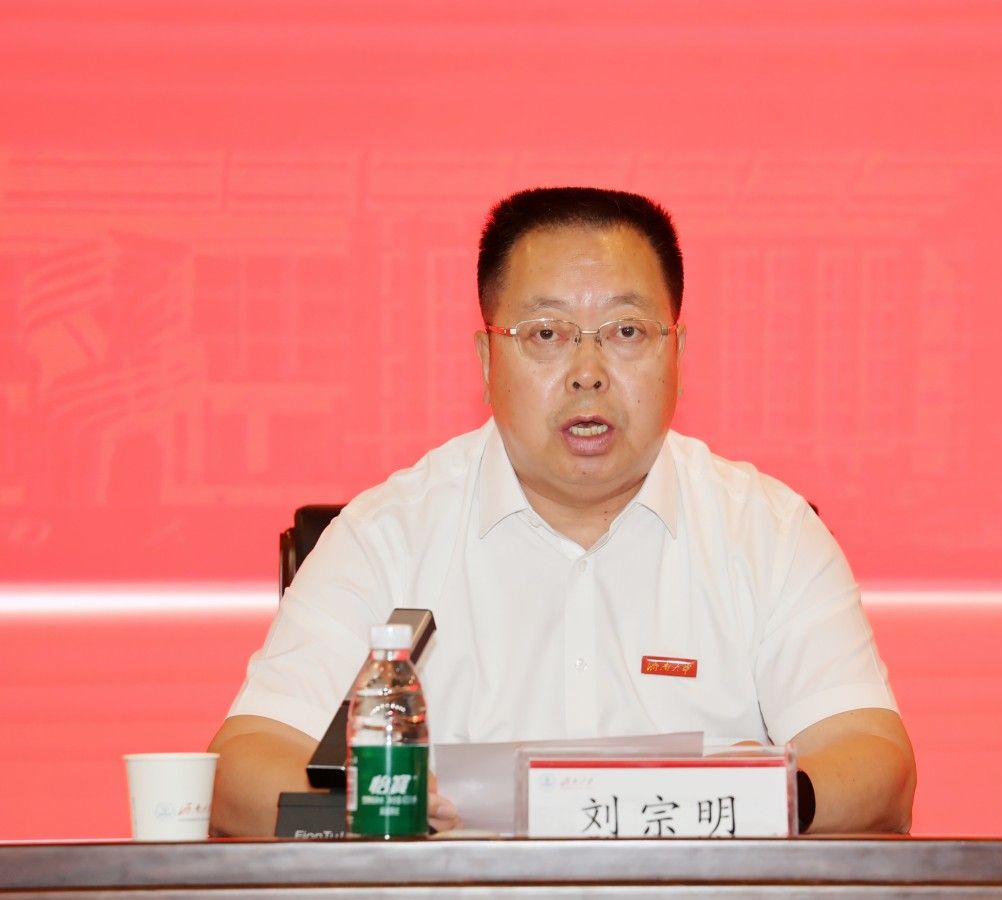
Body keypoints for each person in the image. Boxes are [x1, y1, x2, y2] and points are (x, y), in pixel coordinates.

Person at [208, 187, 916, 837]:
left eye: (627, 332)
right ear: (486, 360)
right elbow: (242, 771)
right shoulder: (386, 536)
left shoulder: (769, 532)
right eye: (545, 334)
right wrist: (380, 813)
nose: (588, 372)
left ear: (678, 353)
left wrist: (743, 800)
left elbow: (876, 767)